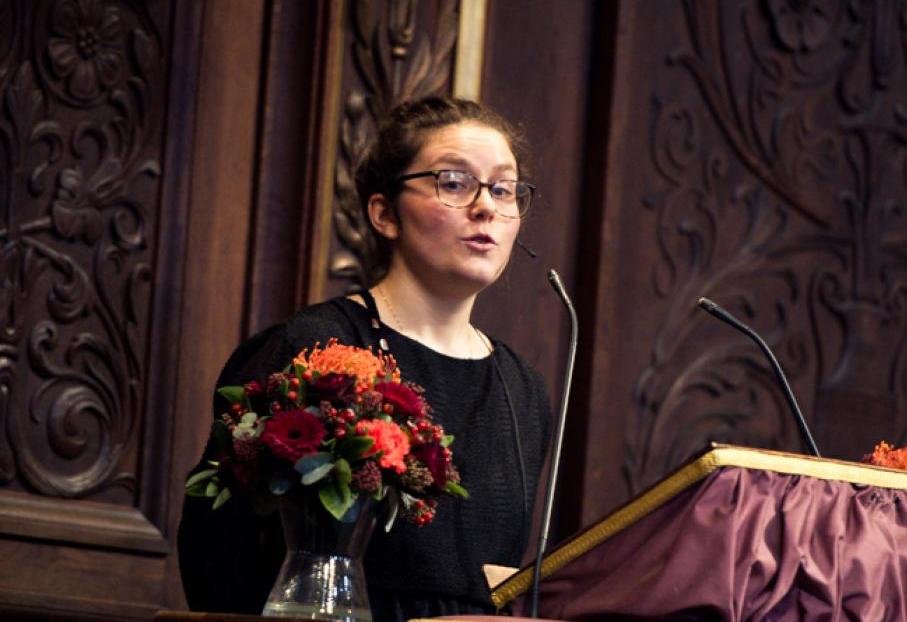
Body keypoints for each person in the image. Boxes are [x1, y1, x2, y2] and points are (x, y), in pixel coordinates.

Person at [178, 96, 551, 621]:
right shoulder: (315, 347)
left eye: (504, 188)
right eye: (454, 182)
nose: (486, 206)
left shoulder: (523, 387)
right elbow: (216, 548)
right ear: (384, 213)